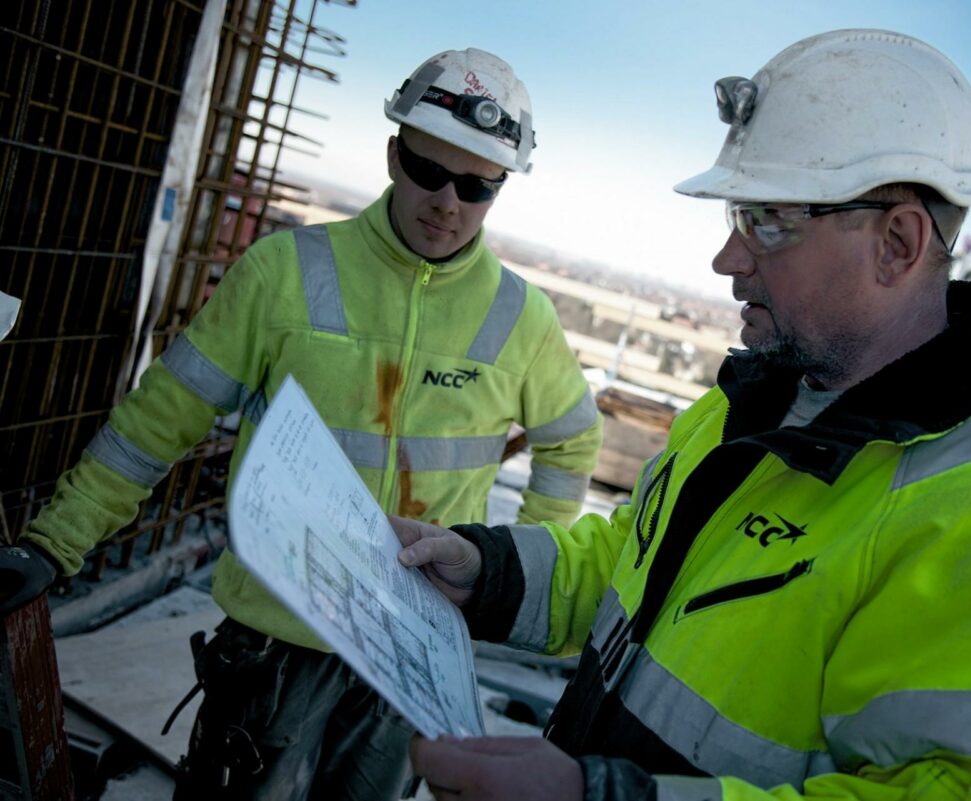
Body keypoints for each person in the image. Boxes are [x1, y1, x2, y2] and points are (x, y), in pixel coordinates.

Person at [391, 29, 971, 801]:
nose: (728, 260)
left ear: (897, 243)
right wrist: (489, 574)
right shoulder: (746, 409)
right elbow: (629, 570)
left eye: (768, 221)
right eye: (738, 217)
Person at [0, 47, 603, 799]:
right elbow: (160, 419)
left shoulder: (522, 318)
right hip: (275, 641)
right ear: (393, 154)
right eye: (429, 171)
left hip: (408, 653)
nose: (448, 201)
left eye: (478, 185)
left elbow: (574, 439)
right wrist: (56, 544)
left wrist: (512, 577)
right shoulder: (284, 271)